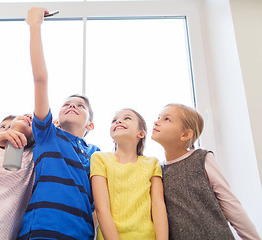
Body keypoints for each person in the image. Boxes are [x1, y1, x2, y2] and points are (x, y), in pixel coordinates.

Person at [18, 7, 100, 240]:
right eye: (67, 104)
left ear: (90, 126)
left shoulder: (97, 155)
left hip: (81, 234)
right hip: (40, 229)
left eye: (80, 106)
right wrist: (35, 25)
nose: (72, 106)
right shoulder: (47, 134)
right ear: (55, 118)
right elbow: (40, 79)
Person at [151, 103, 260, 240]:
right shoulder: (158, 172)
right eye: (159, 117)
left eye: (166, 119)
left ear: (185, 134)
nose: (156, 121)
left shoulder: (202, 158)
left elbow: (229, 203)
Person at [91, 108, 168, 240]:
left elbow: (158, 207)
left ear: (141, 133)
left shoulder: (152, 163)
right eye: (114, 120)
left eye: (127, 118)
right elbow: (101, 208)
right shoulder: (99, 159)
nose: (118, 121)